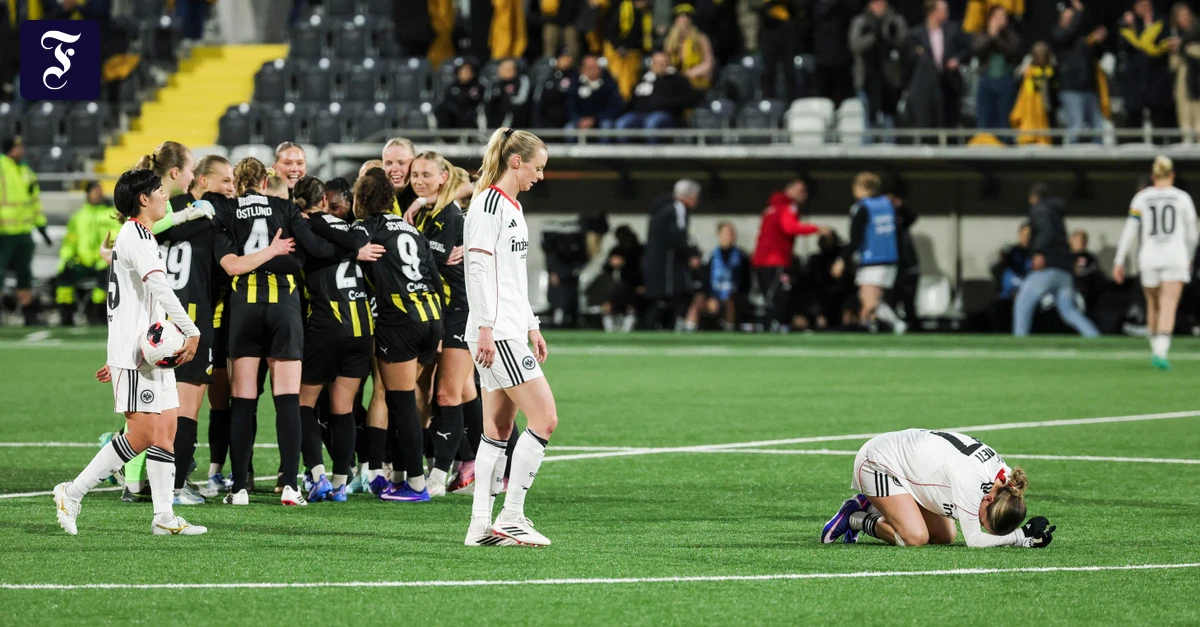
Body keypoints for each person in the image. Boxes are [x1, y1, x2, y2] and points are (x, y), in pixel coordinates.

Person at [53, 168, 206, 537]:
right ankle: (71, 493)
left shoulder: (140, 235)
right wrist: (190, 329)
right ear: (143, 199)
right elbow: (158, 287)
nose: (165, 195)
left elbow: (125, 302)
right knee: (141, 435)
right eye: (159, 190)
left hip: (150, 348)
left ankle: (164, 517)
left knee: (167, 429)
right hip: (140, 353)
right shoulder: (136, 236)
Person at [210, 157, 342, 506]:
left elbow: (229, 264)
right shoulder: (284, 207)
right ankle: (290, 487)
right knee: (287, 400)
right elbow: (301, 255)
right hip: (285, 306)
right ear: (266, 183)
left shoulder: (226, 210)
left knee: (242, 401)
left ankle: (238, 488)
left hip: (243, 309)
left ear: (236, 185)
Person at [463, 127, 557, 547]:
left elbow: (512, 278)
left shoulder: (511, 206)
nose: (540, 175)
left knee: (497, 430)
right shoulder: (487, 205)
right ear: (515, 161)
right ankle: (513, 516)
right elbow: (478, 270)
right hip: (496, 332)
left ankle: (481, 526)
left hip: (505, 328)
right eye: (537, 167)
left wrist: (532, 324)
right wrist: (486, 327)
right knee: (545, 419)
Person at [352, 167, 445, 503]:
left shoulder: (365, 227)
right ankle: (405, 476)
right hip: (431, 316)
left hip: (400, 319)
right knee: (410, 399)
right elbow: (433, 275)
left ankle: (416, 485)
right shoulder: (410, 228)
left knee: (400, 401)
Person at [293, 176, 383, 503]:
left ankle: (317, 477)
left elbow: (308, 256)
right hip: (362, 327)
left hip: (328, 323)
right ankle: (341, 482)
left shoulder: (305, 226)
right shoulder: (352, 228)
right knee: (343, 409)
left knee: (303, 402)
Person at [155, 154, 237, 505]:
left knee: (154, 406)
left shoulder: (157, 214)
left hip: (156, 321)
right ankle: (175, 488)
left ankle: (141, 481)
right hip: (190, 322)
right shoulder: (208, 217)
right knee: (187, 409)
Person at [820, 429, 1054, 549]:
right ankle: (855, 517)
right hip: (878, 462)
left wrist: (1025, 540)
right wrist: (1020, 536)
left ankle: (875, 503)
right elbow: (974, 541)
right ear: (989, 500)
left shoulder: (1005, 481)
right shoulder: (971, 479)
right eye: (984, 522)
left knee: (944, 537)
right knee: (915, 538)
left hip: (911, 469)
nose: (979, 524)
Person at [407, 151, 480, 497]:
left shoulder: (449, 216)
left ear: (442, 178)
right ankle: (474, 465)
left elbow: (425, 262)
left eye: (426, 174)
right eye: (415, 174)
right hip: (440, 312)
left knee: (446, 393)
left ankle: (438, 475)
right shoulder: (426, 213)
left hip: (459, 312)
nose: (419, 179)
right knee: (463, 392)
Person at [1114, 156, 1198, 369]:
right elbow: (1192, 235)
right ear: (1172, 175)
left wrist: (1119, 260)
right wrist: (1189, 256)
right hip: (1174, 256)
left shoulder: (1141, 198)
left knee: (1153, 304)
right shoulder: (1182, 198)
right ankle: (1160, 352)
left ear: (1152, 176)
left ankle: (1155, 348)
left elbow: (1129, 232)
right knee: (1169, 303)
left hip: (1149, 257)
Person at [1013, 183, 1100, 338]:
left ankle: (1020, 341)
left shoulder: (1040, 209)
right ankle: (1094, 336)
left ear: (1033, 197)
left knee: (1022, 303)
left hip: (1048, 267)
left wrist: (1039, 252)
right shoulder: (1056, 212)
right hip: (1064, 270)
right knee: (1068, 311)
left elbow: (1045, 231)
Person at [832, 172, 906, 334]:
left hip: (873, 259)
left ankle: (897, 324)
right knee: (869, 302)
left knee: (870, 301)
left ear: (859, 188)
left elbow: (855, 239)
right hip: (890, 259)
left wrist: (842, 260)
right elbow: (903, 226)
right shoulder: (887, 204)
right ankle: (872, 328)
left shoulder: (862, 207)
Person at [752, 179, 824, 332]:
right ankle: (771, 325)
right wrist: (817, 229)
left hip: (761, 260)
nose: (802, 195)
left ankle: (768, 325)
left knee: (770, 296)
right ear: (789, 190)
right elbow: (790, 227)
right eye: (799, 190)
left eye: (804, 192)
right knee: (778, 296)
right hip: (775, 260)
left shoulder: (771, 208)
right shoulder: (788, 206)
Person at [0, 136, 49, 326]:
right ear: (10, 149)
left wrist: (41, 225)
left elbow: (34, 202)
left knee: (24, 274)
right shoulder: (2, 167)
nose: (22, 151)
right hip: (3, 232)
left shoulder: (27, 172)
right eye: (18, 147)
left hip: (23, 232)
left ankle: (28, 314)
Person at [56, 182, 119, 326]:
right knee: (64, 275)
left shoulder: (111, 215)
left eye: (100, 191)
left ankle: (96, 313)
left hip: (102, 261)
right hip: (82, 262)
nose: (99, 194)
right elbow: (70, 242)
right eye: (95, 191)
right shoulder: (78, 217)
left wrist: (106, 259)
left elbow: (115, 237)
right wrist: (65, 260)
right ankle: (66, 314)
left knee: (105, 277)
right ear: (88, 194)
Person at [906, 0, 971, 142]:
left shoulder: (953, 30)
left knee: (950, 124)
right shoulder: (916, 34)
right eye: (943, 10)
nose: (947, 13)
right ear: (933, 12)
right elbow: (909, 59)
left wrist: (957, 60)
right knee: (928, 125)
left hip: (948, 84)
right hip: (926, 87)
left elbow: (968, 50)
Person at [642, 179, 699, 331]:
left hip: (655, 263)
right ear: (689, 196)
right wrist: (691, 254)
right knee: (684, 293)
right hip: (668, 266)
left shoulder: (661, 208)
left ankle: (659, 327)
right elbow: (678, 235)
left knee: (664, 299)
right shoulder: (677, 208)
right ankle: (673, 326)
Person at [850, 0, 909, 143]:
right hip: (866, 78)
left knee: (890, 117)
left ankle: (890, 149)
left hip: (890, 79)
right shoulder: (861, 21)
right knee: (868, 117)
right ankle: (867, 153)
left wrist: (888, 34)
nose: (879, 6)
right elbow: (854, 45)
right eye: (875, 3)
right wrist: (873, 37)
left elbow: (903, 41)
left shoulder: (895, 20)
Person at [1120, 0, 1176, 143]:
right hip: (1136, 80)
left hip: (1156, 77)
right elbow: (1124, 46)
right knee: (1134, 117)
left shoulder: (1161, 22)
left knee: (1159, 116)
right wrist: (1131, 26)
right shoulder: (1129, 24)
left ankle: (1161, 150)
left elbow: (1165, 46)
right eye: (1141, 5)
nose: (1145, 8)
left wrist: (1150, 26)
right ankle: (1134, 152)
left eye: (1147, 5)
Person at [614, 51, 702, 142]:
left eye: (663, 63)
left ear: (668, 64)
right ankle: (628, 156)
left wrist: (664, 101)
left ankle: (652, 155)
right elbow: (634, 100)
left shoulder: (676, 79)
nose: (659, 66)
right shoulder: (644, 78)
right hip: (640, 114)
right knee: (622, 123)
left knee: (652, 123)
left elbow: (691, 98)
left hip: (665, 115)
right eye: (656, 63)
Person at [1053, 0, 1108, 144]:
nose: (1071, 21)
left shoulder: (1083, 38)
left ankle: (1099, 161)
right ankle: (1072, 163)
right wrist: (1079, 11)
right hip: (1071, 88)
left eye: (1073, 18)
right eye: (1067, 18)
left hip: (1089, 87)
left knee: (1097, 127)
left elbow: (1098, 56)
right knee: (1075, 127)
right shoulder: (1058, 33)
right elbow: (1070, 33)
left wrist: (1098, 41)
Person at [972, 6, 1023, 137]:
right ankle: (984, 145)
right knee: (984, 117)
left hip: (1005, 79)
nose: (1001, 20)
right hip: (986, 79)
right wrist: (991, 36)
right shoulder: (982, 34)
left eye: (1003, 17)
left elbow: (1013, 53)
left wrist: (996, 38)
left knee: (1004, 118)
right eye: (998, 17)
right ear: (990, 19)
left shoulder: (1010, 35)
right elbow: (978, 51)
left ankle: (1004, 147)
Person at [706, 222, 752, 330]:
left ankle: (729, 329)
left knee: (730, 301)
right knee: (698, 301)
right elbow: (705, 280)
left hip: (734, 296)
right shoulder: (711, 256)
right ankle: (688, 330)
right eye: (726, 232)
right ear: (719, 235)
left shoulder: (742, 257)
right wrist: (711, 296)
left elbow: (746, 282)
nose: (730, 235)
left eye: (732, 233)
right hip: (715, 295)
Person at [753, 0, 801, 102]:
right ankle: (769, 104)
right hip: (769, 29)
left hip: (787, 28)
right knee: (768, 71)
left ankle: (791, 103)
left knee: (789, 71)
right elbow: (753, 4)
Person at [1010, 41, 1056, 145]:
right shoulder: (1027, 71)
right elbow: (1017, 85)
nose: (1041, 57)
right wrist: (1022, 72)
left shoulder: (1051, 72)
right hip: (1029, 110)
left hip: (1046, 108)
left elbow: (1054, 91)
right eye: (1038, 54)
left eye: (1043, 54)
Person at [566, 55, 623, 138]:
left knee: (606, 126)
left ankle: (605, 150)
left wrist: (594, 120)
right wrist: (579, 120)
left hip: (601, 119)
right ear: (582, 69)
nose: (594, 70)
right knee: (569, 128)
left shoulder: (609, 84)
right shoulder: (575, 84)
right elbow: (570, 106)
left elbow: (614, 108)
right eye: (590, 67)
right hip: (580, 120)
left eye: (596, 67)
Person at [600, 225, 643, 332]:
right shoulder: (616, 250)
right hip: (616, 287)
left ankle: (627, 328)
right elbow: (605, 268)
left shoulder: (638, 251)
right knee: (608, 303)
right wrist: (612, 263)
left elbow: (640, 271)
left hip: (632, 286)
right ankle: (610, 328)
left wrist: (624, 263)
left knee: (631, 303)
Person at [664, 6, 714, 91]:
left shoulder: (700, 38)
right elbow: (666, 62)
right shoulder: (670, 41)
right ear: (676, 20)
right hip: (676, 81)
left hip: (696, 80)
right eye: (681, 17)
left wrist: (689, 74)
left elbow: (708, 64)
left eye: (688, 17)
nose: (685, 20)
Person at [1169, 3, 1200, 142]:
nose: (1182, 19)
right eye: (1179, 17)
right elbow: (1173, 66)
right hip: (1183, 83)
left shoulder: (1197, 33)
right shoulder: (1176, 36)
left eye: (1185, 15)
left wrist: (1186, 47)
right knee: (1184, 122)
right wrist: (1174, 51)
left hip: (1198, 82)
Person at [436, 59, 485, 130]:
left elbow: (481, 103)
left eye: (468, 71)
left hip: (471, 117)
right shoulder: (451, 87)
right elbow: (445, 102)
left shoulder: (479, 87)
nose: (465, 73)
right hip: (454, 118)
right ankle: (447, 137)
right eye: (462, 71)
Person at [486, 59, 533, 129]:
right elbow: (487, 103)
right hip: (494, 125)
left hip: (517, 125)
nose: (504, 71)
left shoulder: (522, 81)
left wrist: (510, 96)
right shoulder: (494, 83)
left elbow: (520, 102)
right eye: (502, 68)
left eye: (509, 69)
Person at [1070, 229, 1103, 320]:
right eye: (1076, 239)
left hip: (1083, 292)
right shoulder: (1064, 256)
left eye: (1082, 240)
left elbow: (1081, 272)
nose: (1079, 243)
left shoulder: (1087, 258)